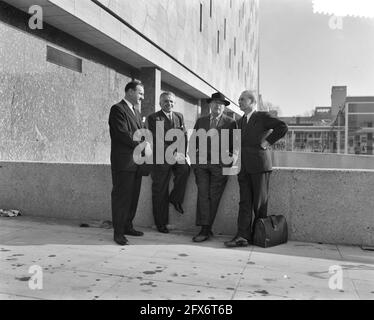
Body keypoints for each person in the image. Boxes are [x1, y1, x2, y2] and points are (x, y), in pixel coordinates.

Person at [224, 90, 288, 248]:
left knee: (259, 203)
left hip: (260, 166)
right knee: (244, 202)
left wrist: (267, 142)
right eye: (238, 99)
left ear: (252, 102)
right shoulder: (240, 121)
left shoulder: (262, 116)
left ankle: (260, 236)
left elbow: (282, 127)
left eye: (242, 99)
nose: (239, 102)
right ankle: (242, 236)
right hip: (243, 167)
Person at [189, 92, 237, 242]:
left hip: (220, 165)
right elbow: (192, 143)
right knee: (203, 194)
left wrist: (229, 163)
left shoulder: (231, 122)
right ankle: (204, 229)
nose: (217, 105)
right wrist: (194, 162)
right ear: (210, 105)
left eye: (221, 104)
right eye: (215, 102)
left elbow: (235, 146)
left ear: (224, 107)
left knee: (214, 196)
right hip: (201, 165)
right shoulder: (201, 121)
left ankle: (206, 229)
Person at [109, 80, 151, 246]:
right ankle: (118, 233)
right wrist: (142, 144)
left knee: (133, 198)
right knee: (122, 198)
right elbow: (122, 134)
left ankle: (128, 226)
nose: (142, 97)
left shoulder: (136, 111)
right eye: (140, 93)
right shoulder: (117, 109)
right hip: (124, 163)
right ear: (130, 92)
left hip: (137, 163)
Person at [146, 92, 190, 233]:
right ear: (160, 103)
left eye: (171, 101)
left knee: (185, 169)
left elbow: (183, 136)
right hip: (160, 159)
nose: (169, 104)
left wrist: (182, 154)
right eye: (166, 101)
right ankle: (161, 223)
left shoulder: (179, 116)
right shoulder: (153, 118)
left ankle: (175, 198)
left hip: (176, 157)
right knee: (160, 191)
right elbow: (157, 140)